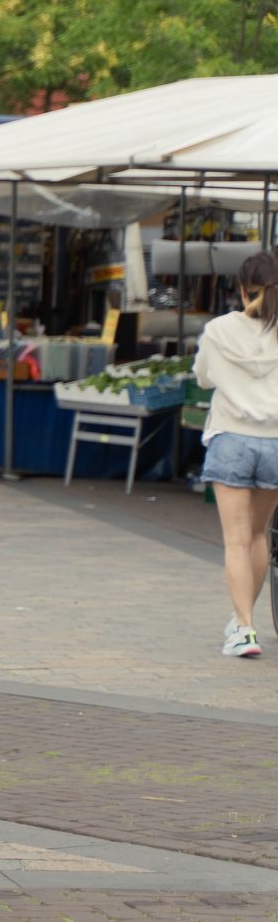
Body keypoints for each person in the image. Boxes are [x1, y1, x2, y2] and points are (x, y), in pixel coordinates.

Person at [197, 251, 278, 659]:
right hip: (276, 441)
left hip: (231, 437)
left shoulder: (218, 330)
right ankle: (244, 622)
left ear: (241, 288)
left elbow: (204, 376)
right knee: (258, 535)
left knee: (235, 540)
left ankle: (244, 629)